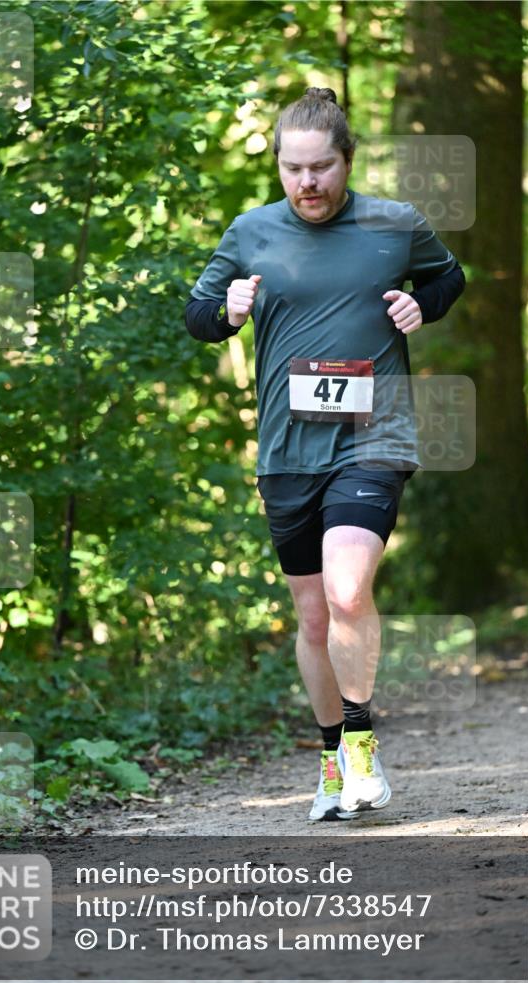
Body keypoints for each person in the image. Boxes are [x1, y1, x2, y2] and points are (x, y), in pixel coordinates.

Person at [184, 87, 465, 821]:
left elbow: (446, 277)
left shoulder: (393, 225)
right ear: (277, 166)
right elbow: (197, 317)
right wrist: (229, 314)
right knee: (312, 617)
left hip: (373, 437)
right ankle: (330, 759)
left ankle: (363, 745)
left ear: (347, 162)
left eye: (320, 168)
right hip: (286, 448)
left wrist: (420, 305)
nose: (306, 183)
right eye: (292, 169)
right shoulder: (251, 232)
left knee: (346, 589)